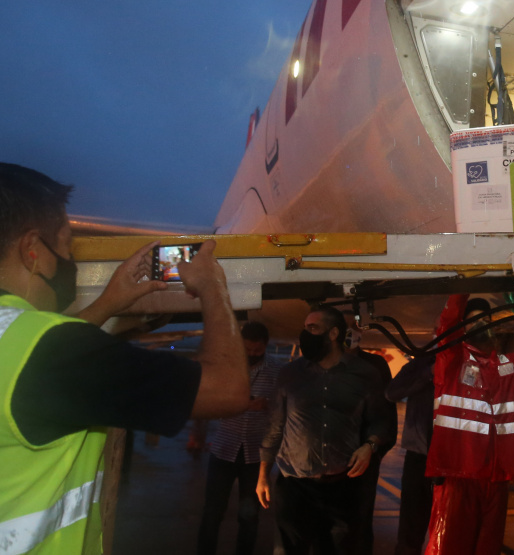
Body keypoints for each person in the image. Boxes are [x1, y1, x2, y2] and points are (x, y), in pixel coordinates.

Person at [0, 163, 249, 554]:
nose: (70, 260)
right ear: (33, 251)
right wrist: (213, 287)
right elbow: (229, 389)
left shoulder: (21, 341)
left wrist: (108, 304)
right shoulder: (50, 351)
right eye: (66, 247)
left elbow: (32, 358)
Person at [256, 306, 394, 554]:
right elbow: (274, 426)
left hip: (341, 489)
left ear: (333, 334)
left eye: (312, 328)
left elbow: (381, 421)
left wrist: (370, 446)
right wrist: (263, 474)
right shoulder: (290, 374)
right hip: (295, 486)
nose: (305, 334)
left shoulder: (364, 374)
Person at [424, 295, 514, 555]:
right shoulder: (450, 361)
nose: (480, 325)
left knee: (487, 548)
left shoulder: (506, 366)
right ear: (461, 327)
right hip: (458, 476)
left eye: (485, 319)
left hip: (496, 478)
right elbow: (445, 330)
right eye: (472, 321)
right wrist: (461, 290)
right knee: (449, 548)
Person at [197, 321, 280, 555]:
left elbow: (281, 408)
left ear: (266, 346)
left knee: (249, 515)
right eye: (248, 350)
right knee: (213, 512)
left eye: (258, 350)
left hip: (255, 454)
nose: (253, 354)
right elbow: (211, 402)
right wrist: (247, 404)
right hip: (224, 448)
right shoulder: (227, 366)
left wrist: (267, 405)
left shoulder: (276, 370)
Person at [342, 311, 398, 554]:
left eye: (354, 327)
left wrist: (375, 449)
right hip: (332, 457)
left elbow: (387, 414)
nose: (351, 333)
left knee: (361, 520)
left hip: (365, 456)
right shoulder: (323, 365)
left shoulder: (375, 365)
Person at [385, 354, 435, 555]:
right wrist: (428, 374)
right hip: (419, 455)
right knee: (410, 528)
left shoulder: (469, 363)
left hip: (450, 459)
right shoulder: (422, 363)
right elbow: (392, 392)